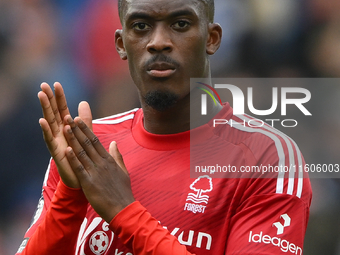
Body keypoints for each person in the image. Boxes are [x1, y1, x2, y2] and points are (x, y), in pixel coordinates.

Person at [16, 0, 312, 254]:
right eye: (141, 26)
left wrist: (124, 211)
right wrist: (70, 198)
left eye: (180, 24)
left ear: (211, 38)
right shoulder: (88, 146)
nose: (158, 41)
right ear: (121, 44)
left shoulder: (266, 159)